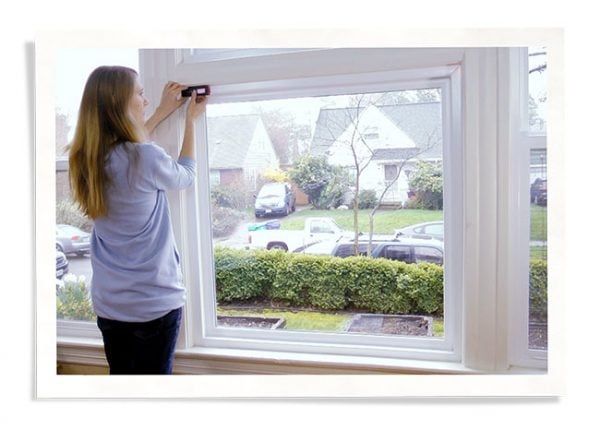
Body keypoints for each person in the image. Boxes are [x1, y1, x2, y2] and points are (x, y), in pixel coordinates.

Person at [68, 66, 207, 374]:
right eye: (141, 94)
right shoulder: (145, 158)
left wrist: (160, 111)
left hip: (110, 306)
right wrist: (189, 121)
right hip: (152, 305)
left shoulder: (85, 159)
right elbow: (185, 175)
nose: (145, 101)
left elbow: (130, 148)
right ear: (120, 103)